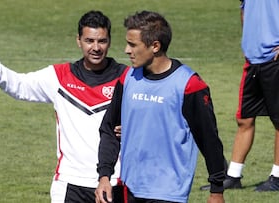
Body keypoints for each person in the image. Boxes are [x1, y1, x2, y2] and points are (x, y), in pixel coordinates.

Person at [0, 10, 129, 203]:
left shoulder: (127, 78)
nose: (96, 47)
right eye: (89, 41)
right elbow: (18, 86)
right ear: (78, 40)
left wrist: (132, 129)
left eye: (102, 41)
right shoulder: (59, 77)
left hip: (112, 182)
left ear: (109, 41)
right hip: (69, 183)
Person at [95, 10, 226, 203]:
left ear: (155, 46)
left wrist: (216, 190)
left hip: (169, 193)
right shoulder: (127, 79)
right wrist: (104, 176)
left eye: (133, 44)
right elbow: (108, 129)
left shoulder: (189, 85)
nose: (126, 50)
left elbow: (209, 139)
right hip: (128, 190)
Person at [205, 0, 279, 192]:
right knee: (244, 119)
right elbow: (244, 10)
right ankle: (233, 176)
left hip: (275, 59)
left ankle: (277, 177)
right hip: (253, 59)